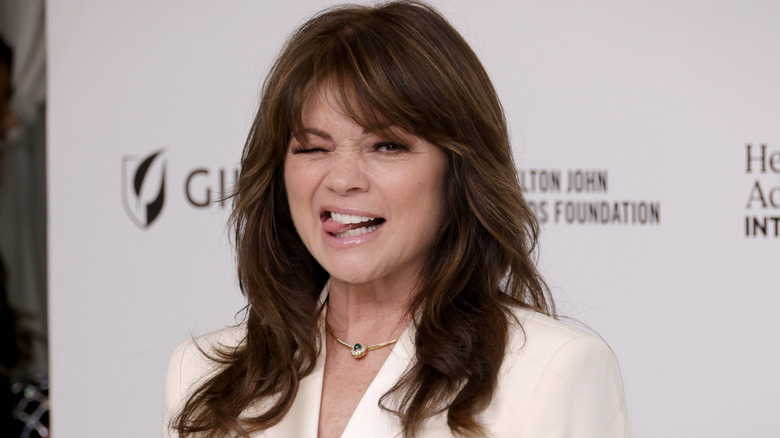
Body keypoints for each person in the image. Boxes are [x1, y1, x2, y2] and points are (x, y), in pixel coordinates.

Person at [163, 2, 631, 437]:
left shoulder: (553, 372)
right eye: (313, 147)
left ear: (458, 170)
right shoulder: (205, 378)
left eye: (387, 145)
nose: (342, 179)